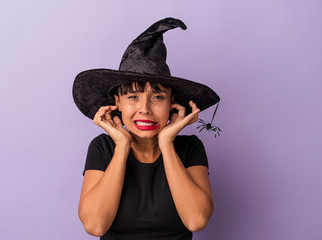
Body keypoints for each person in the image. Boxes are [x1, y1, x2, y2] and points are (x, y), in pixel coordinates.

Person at [72, 18, 220, 240]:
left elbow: (196, 220)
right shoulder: (102, 147)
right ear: (117, 103)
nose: (145, 109)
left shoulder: (190, 147)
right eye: (133, 97)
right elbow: (95, 226)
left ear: (172, 103)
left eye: (158, 97)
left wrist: (167, 143)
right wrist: (122, 146)